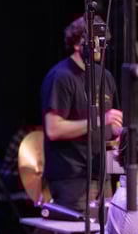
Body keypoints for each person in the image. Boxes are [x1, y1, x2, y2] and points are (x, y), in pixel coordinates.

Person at [42, 15, 121, 213]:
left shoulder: (106, 77)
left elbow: (112, 125)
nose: (101, 47)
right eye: (96, 41)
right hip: (72, 178)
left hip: (101, 175)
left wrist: (122, 132)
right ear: (78, 44)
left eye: (104, 42)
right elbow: (53, 129)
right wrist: (99, 120)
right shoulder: (61, 77)